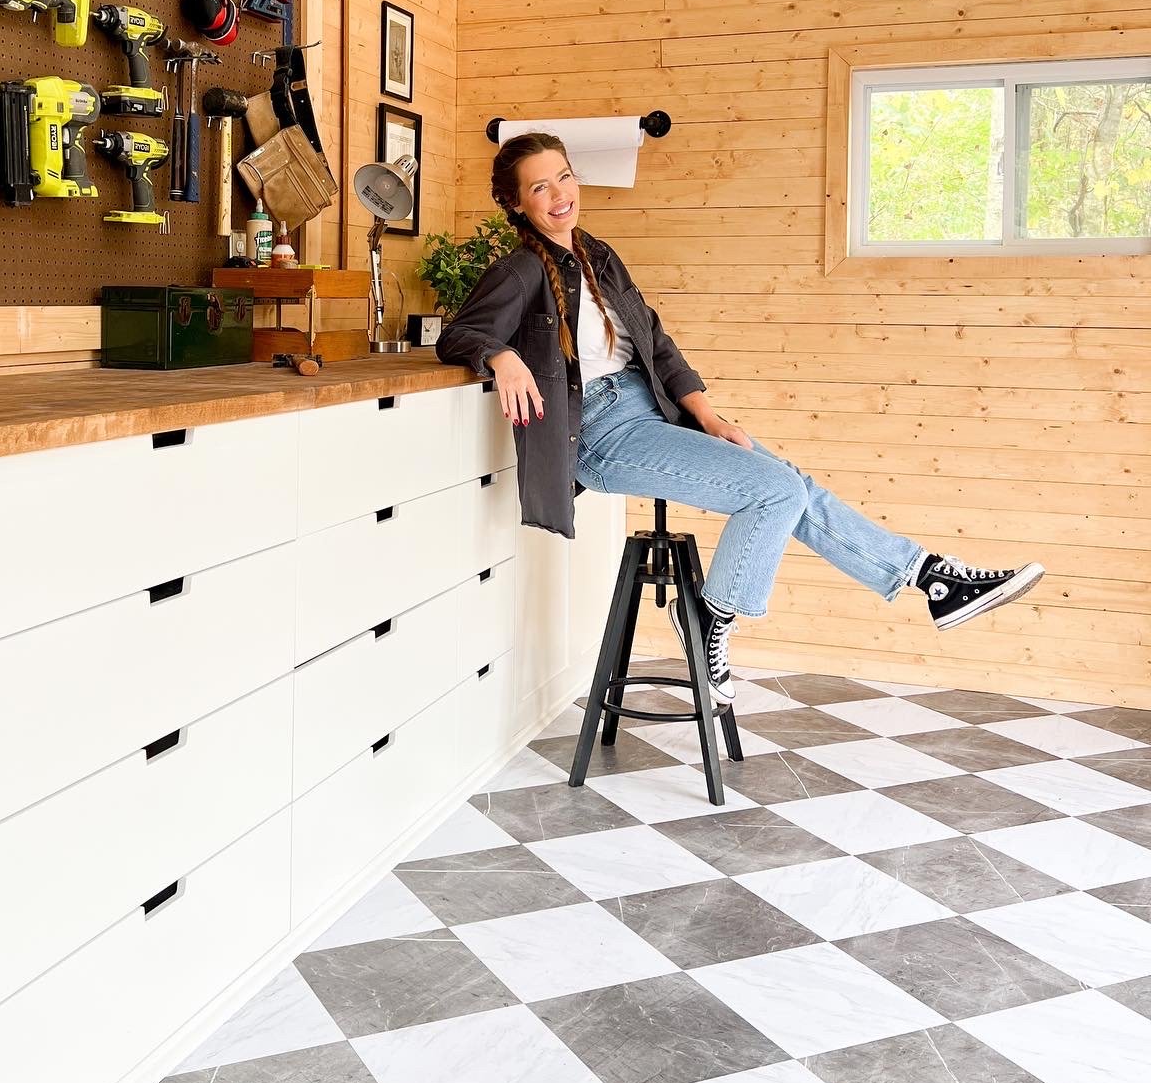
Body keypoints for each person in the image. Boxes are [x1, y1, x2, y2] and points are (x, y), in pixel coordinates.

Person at [436, 131, 1044, 704]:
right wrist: (502, 354)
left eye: (564, 177)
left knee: (792, 488)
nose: (559, 194)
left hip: (653, 415)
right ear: (515, 203)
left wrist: (709, 415)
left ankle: (932, 578)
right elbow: (459, 332)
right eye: (540, 187)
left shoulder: (597, 255)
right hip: (601, 432)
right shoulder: (519, 270)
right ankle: (706, 618)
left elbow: (655, 340)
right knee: (777, 489)